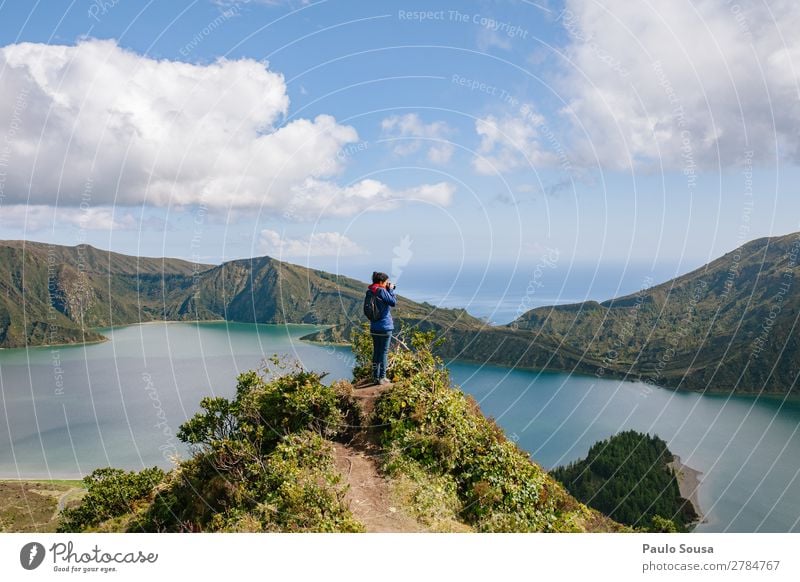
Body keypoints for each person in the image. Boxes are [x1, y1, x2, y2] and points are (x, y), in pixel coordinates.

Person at [367, 271, 396, 385]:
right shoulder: (382, 291)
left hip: (374, 327)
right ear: (381, 282)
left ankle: (375, 376)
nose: (387, 284)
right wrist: (391, 290)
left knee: (376, 352)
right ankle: (382, 378)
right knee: (383, 352)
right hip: (385, 327)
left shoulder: (369, 291)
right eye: (386, 282)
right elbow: (393, 302)